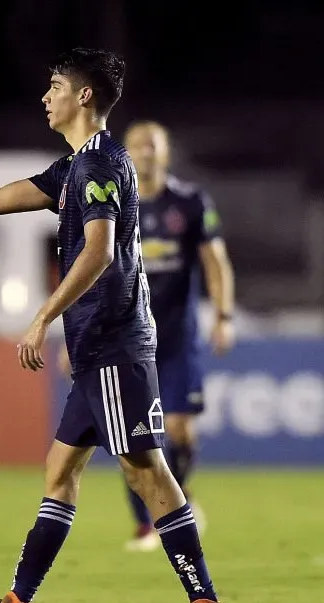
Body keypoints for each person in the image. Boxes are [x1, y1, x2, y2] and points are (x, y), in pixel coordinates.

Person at [0, 48, 231, 603]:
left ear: (84, 96)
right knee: (60, 471)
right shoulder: (76, 166)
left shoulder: (100, 164)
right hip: (96, 352)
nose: (45, 95)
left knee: (147, 473)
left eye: (55, 84)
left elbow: (100, 251)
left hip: (114, 345)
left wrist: (42, 318)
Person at [115, 121, 234, 550]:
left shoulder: (189, 201)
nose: (145, 152)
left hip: (179, 337)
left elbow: (215, 262)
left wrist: (223, 315)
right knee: (133, 436)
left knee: (179, 429)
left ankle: (179, 500)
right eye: (137, 145)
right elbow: (92, 270)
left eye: (153, 145)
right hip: (128, 339)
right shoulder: (115, 205)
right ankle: (148, 524)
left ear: (165, 153)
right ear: (126, 153)